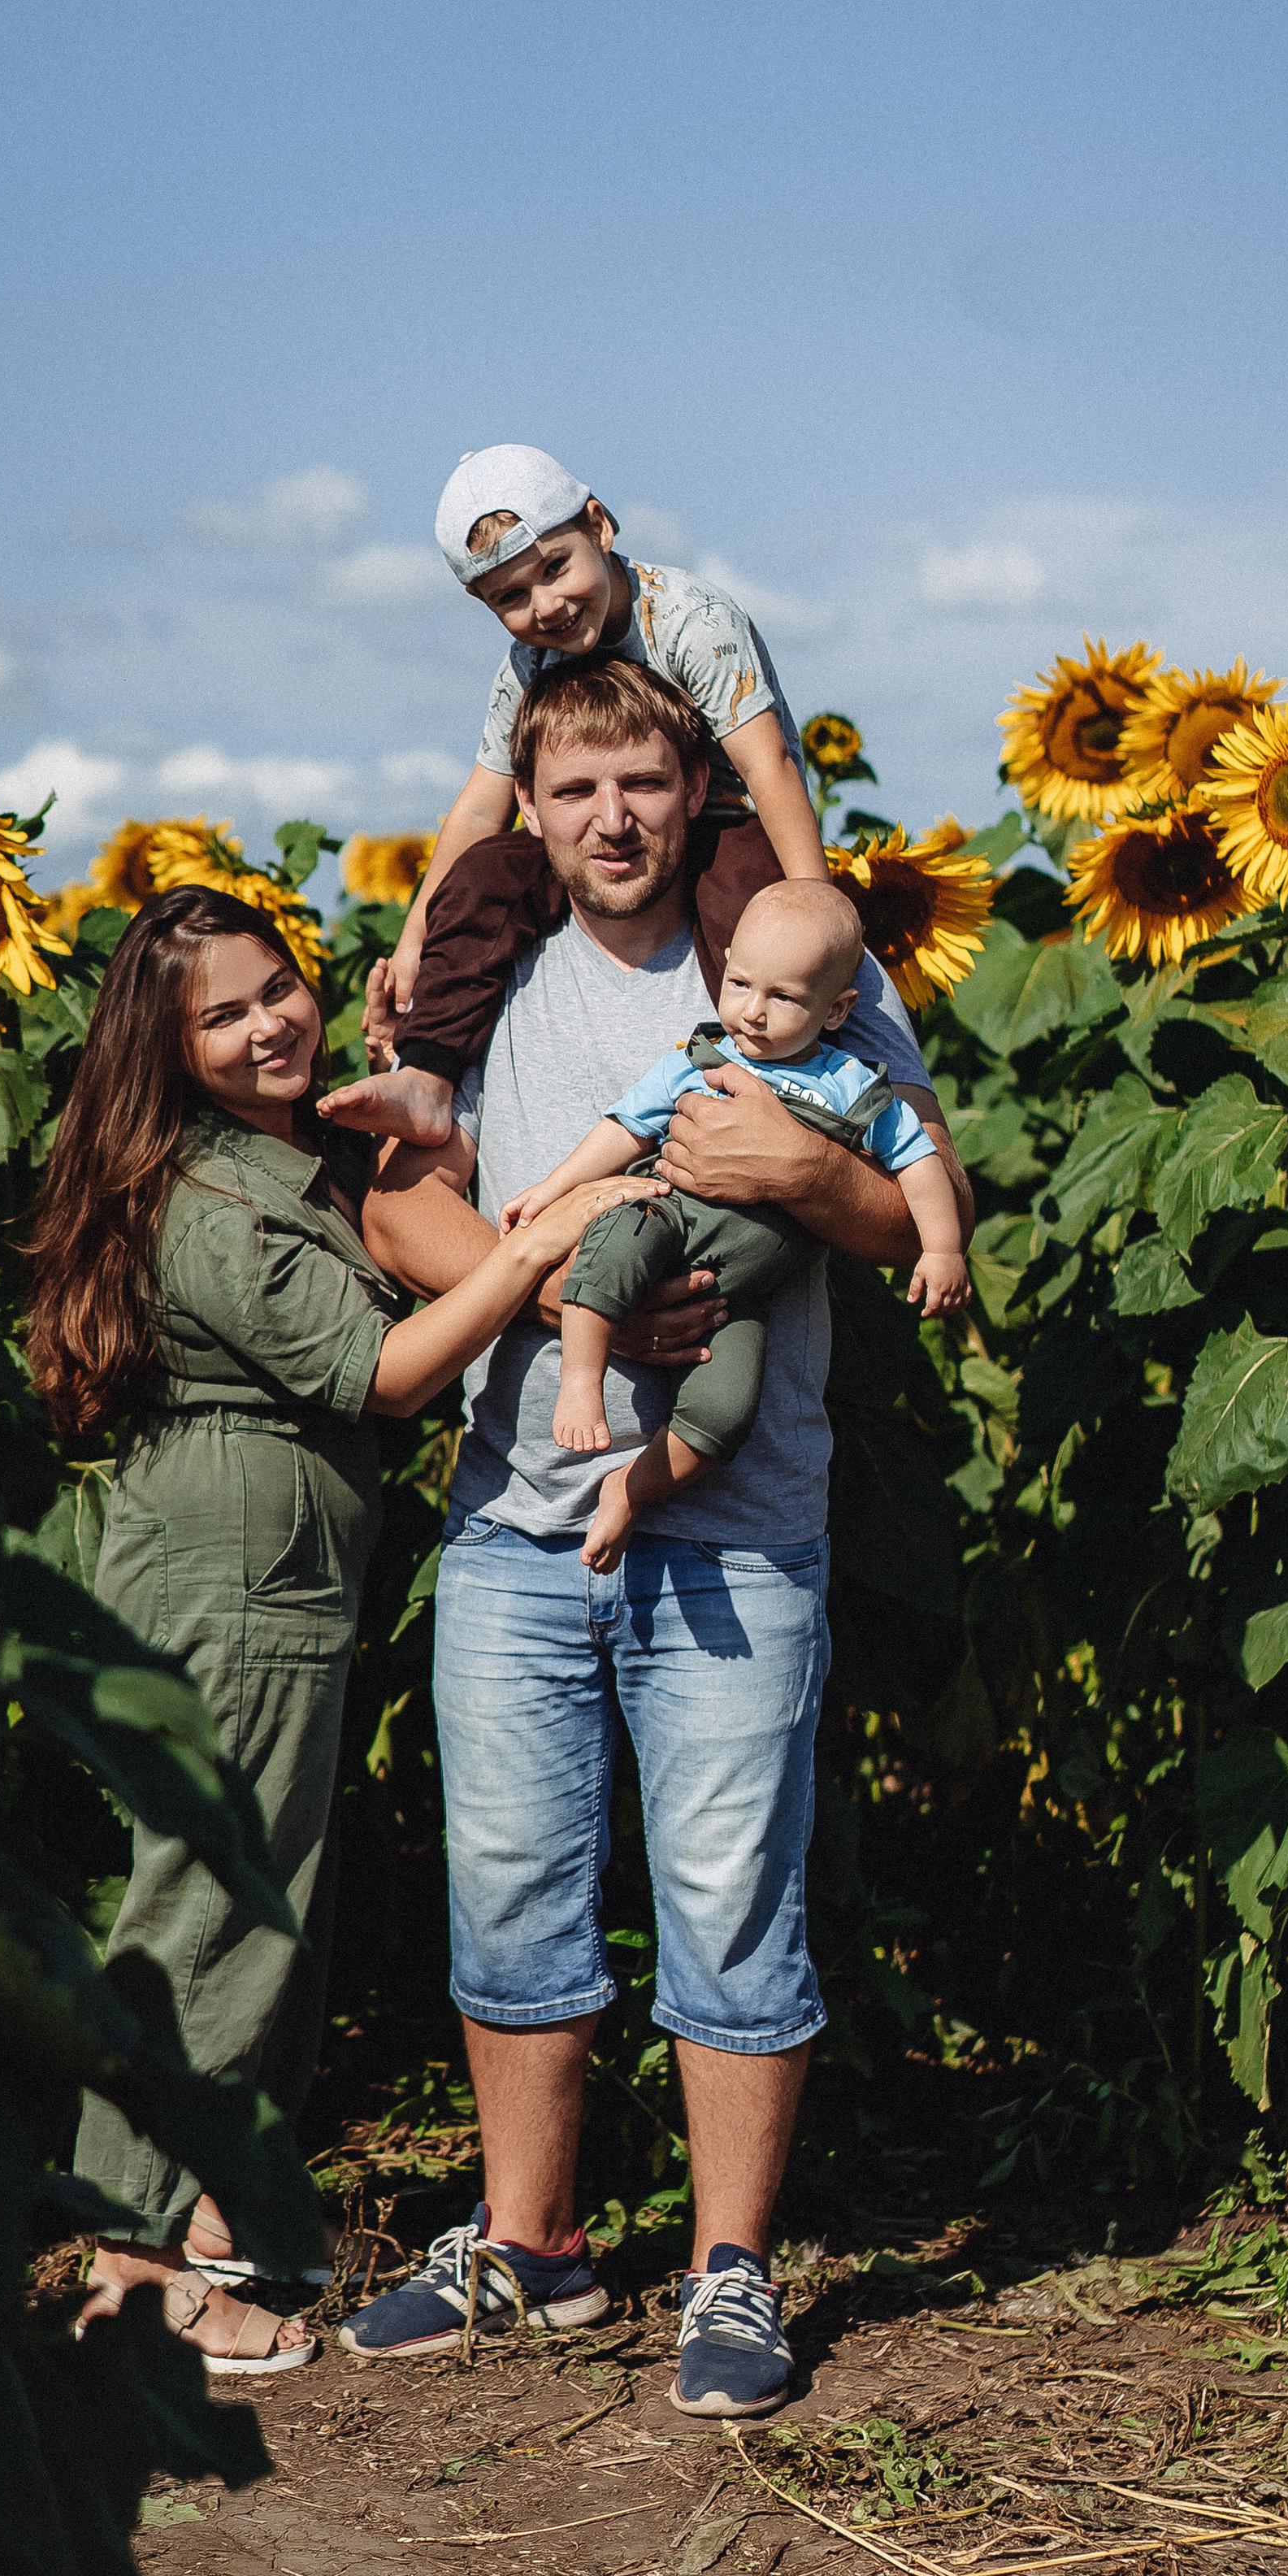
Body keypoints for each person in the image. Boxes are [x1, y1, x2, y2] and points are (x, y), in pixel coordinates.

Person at [336, 659, 973, 2416]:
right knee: (516, 1882)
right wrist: (546, 1267)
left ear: (688, 789)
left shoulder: (789, 950)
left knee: (724, 1890)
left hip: (738, 1522)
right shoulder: (479, 973)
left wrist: (784, 1169)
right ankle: (530, 2239)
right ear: (529, 808)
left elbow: (913, 1195)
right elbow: (394, 1193)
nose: (608, 818)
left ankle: (726, 2269)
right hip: (517, 1517)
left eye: (639, 782)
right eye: (572, 791)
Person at [20, 884, 661, 2378]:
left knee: (251, 1899)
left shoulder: (269, 1157)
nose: (268, 1025)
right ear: (165, 1047)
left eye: (278, 987)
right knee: (210, 1911)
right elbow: (380, 1372)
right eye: (223, 1015)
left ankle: (184, 2223)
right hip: (230, 1583)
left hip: (261, 1570)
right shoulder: (211, 1199)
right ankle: (131, 2266)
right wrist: (534, 1248)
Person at [319, 444, 831, 1151]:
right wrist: (415, 937)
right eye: (511, 597)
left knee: (754, 917)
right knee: (485, 878)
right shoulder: (528, 664)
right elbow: (479, 806)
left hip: (724, 816)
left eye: (556, 568)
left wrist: (817, 909)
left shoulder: (690, 622)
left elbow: (769, 764)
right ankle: (429, 1074)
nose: (548, 606)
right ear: (481, 601)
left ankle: (782, 1086)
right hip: (594, 834)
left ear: (600, 525)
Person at [505, 879, 971, 1572]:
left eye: (783, 997)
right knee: (615, 1246)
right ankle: (582, 1376)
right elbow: (624, 1129)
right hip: (666, 1212)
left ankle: (631, 1489)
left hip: (738, 1295)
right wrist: (553, 1186)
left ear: (838, 1008)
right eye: (741, 982)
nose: (752, 1011)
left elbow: (920, 1163)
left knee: (725, 1416)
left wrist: (942, 1246)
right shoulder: (702, 1059)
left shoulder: (849, 1086)